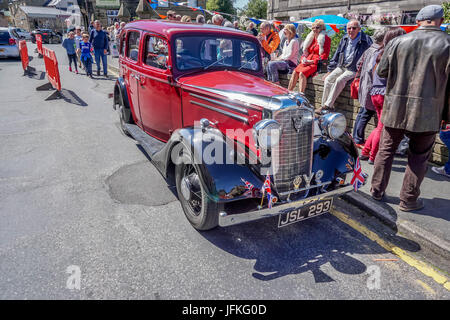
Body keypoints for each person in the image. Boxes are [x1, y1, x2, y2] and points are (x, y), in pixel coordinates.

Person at [371, 5, 450, 211]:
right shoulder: (447, 43)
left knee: (386, 151)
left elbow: (382, 71)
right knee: (419, 156)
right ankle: (408, 200)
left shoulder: (398, 41)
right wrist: (447, 116)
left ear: (419, 21)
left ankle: (376, 191)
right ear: (440, 20)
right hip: (428, 111)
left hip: (395, 107)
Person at [359, 28, 406, 165]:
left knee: (379, 125)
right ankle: (373, 156)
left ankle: (365, 151)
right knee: (382, 127)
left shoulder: (378, 52)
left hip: (375, 92)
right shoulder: (394, 54)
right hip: (386, 94)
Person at [318, 20, 372, 115]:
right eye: (349, 28)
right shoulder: (345, 38)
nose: (351, 30)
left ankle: (328, 106)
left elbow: (371, 55)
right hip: (342, 66)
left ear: (359, 29)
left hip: (354, 69)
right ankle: (324, 105)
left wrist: (364, 70)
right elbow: (337, 54)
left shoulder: (366, 40)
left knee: (340, 80)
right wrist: (330, 70)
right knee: (328, 79)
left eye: (354, 28)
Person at [352, 28, 388, 148]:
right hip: (371, 87)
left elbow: (359, 65)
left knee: (362, 112)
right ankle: (358, 138)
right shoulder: (378, 51)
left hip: (364, 85)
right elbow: (371, 69)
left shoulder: (369, 49)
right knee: (366, 114)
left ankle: (356, 137)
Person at [288, 19, 331, 93]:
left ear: (322, 28)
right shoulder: (311, 38)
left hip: (316, 63)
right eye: (313, 27)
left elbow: (325, 56)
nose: (315, 29)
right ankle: (288, 92)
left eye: (317, 27)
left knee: (302, 73)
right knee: (295, 72)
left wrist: (312, 61)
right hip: (307, 61)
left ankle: (301, 95)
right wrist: (303, 59)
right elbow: (305, 51)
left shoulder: (326, 39)